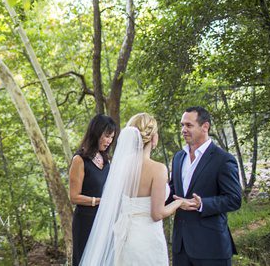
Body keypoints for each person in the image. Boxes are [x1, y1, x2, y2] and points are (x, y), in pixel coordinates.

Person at [79, 113, 188, 266]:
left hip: (124, 237)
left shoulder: (120, 167)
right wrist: (179, 203)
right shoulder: (158, 169)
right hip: (147, 238)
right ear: (153, 137)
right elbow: (157, 214)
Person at [167, 107, 241, 266]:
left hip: (211, 247)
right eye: (182, 125)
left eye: (189, 125)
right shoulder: (178, 157)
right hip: (181, 247)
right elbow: (173, 191)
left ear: (205, 126)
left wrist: (202, 204)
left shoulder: (223, 159)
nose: (183, 130)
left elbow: (234, 199)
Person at [70, 114, 118, 266]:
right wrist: (98, 201)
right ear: (96, 133)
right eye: (107, 136)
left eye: (112, 137)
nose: (109, 141)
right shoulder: (80, 160)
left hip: (104, 221)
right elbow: (74, 197)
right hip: (86, 221)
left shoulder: (106, 160)